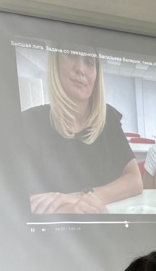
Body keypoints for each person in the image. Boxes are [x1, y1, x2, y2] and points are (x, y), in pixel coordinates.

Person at [24, 50, 143, 214]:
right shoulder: (30, 123)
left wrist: (77, 197)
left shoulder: (108, 118)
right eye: (72, 55)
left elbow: (135, 180)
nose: (81, 69)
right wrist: (68, 210)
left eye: (89, 62)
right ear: (55, 62)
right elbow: (22, 200)